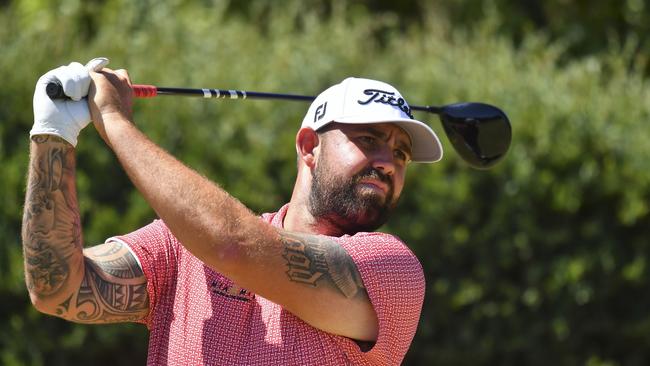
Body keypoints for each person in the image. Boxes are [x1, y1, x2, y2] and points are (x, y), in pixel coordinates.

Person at [22, 58, 443, 365]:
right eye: (369, 140)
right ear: (309, 146)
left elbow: (234, 246)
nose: (388, 161)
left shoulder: (392, 269)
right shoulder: (182, 246)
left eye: (401, 153)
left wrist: (114, 120)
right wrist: (52, 135)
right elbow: (58, 288)